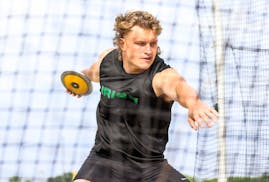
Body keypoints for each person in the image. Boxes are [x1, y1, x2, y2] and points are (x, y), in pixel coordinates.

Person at [68, 10, 219, 182]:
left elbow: (180, 87)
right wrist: (78, 82)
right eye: (141, 43)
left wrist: (194, 104)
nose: (148, 50)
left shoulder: (161, 76)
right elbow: (90, 73)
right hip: (104, 160)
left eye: (153, 43)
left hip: (150, 167)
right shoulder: (106, 62)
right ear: (122, 43)